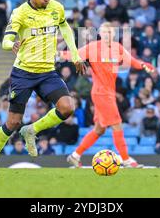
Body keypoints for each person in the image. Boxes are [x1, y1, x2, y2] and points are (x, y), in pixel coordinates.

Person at [0, 0, 86, 175]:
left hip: (47, 71)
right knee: (13, 122)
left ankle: (32, 130)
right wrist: (13, 44)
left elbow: (64, 26)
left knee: (67, 107)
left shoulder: (56, 8)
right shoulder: (20, 13)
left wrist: (75, 55)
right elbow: (5, 41)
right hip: (24, 73)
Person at [62, 22, 155, 168]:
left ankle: (75, 155)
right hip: (101, 93)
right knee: (117, 125)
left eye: (110, 33)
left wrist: (143, 65)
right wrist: (57, 54)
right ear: (100, 33)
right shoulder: (93, 47)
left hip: (108, 93)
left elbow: (131, 61)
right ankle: (126, 160)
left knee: (100, 129)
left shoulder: (117, 48)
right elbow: (72, 54)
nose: (107, 35)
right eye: (105, 33)